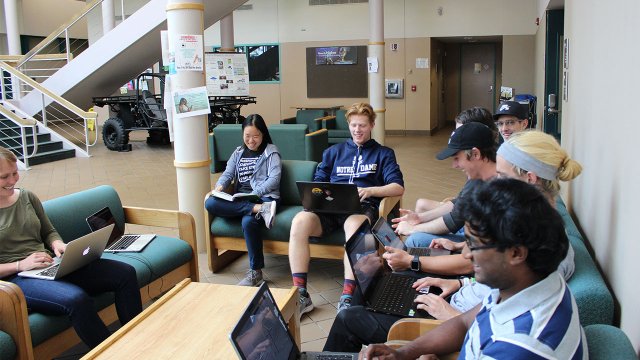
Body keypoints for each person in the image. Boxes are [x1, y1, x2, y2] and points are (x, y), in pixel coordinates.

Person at [323, 131, 584, 352]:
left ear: (530, 178)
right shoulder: (531, 252)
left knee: (351, 316)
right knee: (370, 287)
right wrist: (458, 282)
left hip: (448, 314)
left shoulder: (522, 333)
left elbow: (484, 323)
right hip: (456, 303)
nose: (494, 181)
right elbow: (489, 307)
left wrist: (445, 309)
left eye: (502, 176)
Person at [362, 178, 587, 359]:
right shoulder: (527, 283)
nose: (467, 255)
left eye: (475, 245)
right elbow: (464, 322)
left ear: (516, 253)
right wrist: (404, 353)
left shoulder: (519, 347)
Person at [0, 147, 142, 349]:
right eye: (4, 177)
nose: (13, 181)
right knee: (76, 299)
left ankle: (139, 340)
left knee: (125, 273)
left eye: (15, 173)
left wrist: (58, 244)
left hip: (49, 265)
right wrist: (20, 265)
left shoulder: (26, 197)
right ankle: (112, 353)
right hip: (15, 280)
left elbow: (48, 231)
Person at [288, 102, 404, 317]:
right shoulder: (334, 151)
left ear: (372, 125)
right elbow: (318, 181)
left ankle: (348, 295)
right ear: (348, 125)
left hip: (361, 208)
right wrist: (317, 194)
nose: (357, 130)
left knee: (354, 225)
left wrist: (371, 190)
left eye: (362, 125)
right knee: (299, 221)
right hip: (329, 208)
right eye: (353, 125)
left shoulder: (383, 154)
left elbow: (397, 187)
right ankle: (301, 293)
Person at [385, 122, 497, 276]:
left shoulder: (495, 193)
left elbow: (470, 262)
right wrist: (457, 245)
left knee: (413, 244)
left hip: (479, 278)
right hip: (474, 264)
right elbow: (458, 205)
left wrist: (410, 260)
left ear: (476, 154)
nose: (454, 165)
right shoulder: (479, 177)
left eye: (457, 158)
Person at [205, 114, 281, 287]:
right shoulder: (238, 152)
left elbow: (274, 179)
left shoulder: (271, 152)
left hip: (264, 197)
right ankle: (258, 209)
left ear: (263, 134)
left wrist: (255, 192)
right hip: (242, 199)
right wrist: (219, 187)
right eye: (247, 136)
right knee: (209, 202)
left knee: (248, 222)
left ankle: (256, 272)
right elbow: (228, 174)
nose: (251, 141)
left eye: (255, 136)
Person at [413, 107, 498, 214]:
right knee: (421, 205)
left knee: (421, 209)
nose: (456, 135)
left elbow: (458, 216)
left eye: (461, 131)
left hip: (473, 219)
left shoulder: (488, 168)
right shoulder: (481, 160)